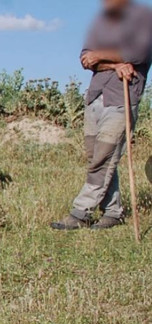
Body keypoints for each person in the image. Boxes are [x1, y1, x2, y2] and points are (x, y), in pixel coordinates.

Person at [52, 0, 152, 231]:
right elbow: (86, 58)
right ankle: (113, 212)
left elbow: (139, 54)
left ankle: (81, 212)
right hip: (96, 97)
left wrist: (100, 56)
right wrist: (116, 64)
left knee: (103, 158)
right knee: (96, 157)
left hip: (122, 99)